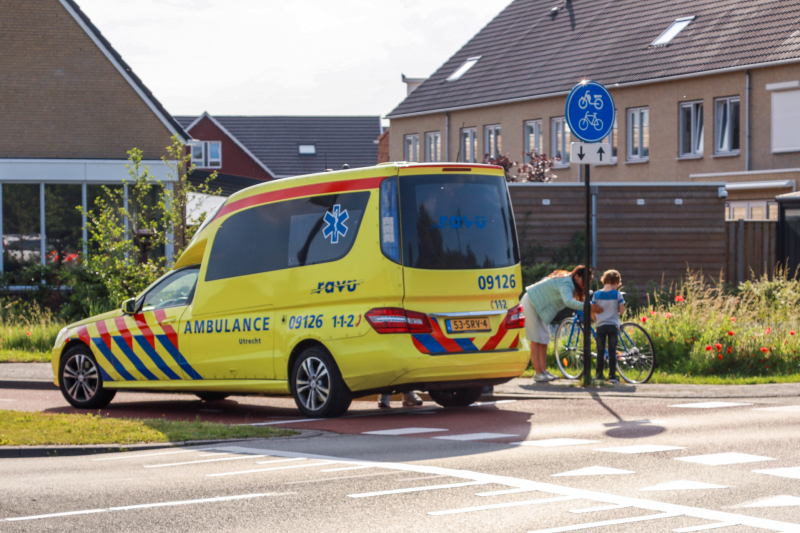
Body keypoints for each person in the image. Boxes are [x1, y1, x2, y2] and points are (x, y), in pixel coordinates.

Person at [521, 265, 592, 382]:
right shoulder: (567, 282)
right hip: (530, 303)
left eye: (588, 281)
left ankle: (544, 371)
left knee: (543, 339)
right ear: (576, 276)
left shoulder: (570, 281)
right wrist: (588, 307)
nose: (586, 283)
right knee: (535, 339)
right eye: (585, 280)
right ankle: (538, 373)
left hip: (540, 307)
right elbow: (568, 301)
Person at [590, 269, 626, 384]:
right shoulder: (617, 294)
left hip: (600, 326)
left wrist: (596, 321)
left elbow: (592, 311)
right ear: (615, 282)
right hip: (613, 326)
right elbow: (621, 311)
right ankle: (612, 376)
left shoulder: (596, 294)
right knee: (612, 351)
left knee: (600, 350)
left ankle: (599, 374)